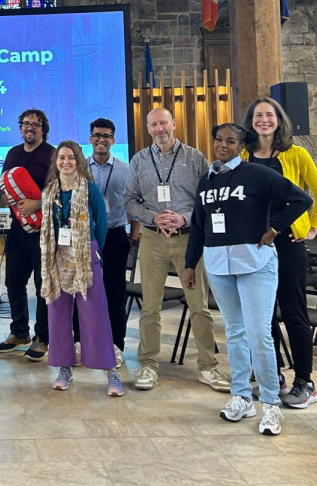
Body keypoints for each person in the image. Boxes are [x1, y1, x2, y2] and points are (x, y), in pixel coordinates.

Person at [185, 123, 312, 436]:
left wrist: (275, 228)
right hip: (217, 264)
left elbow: (300, 200)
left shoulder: (257, 174)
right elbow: (200, 225)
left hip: (255, 263)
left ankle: (270, 403)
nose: (223, 145)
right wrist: (190, 264)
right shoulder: (206, 180)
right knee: (235, 331)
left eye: (230, 141)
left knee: (259, 334)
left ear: (241, 146)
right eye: (219, 140)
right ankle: (241, 396)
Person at [124, 107, 229, 392]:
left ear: (174, 123)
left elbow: (209, 199)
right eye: (153, 124)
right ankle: (148, 364)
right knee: (150, 307)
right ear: (148, 129)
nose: (159, 129)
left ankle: (208, 367)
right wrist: (154, 217)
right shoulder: (138, 161)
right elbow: (131, 201)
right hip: (153, 239)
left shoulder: (195, 158)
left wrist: (184, 218)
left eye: (163, 123)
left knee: (199, 306)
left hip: (189, 239)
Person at [243, 96, 317, 408]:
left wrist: (312, 228)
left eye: (269, 115)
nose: (263, 120)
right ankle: (274, 374)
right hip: (256, 245)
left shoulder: (296, 153)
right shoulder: (244, 154)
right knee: (262, 315)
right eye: (257, 115)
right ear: (250, 121)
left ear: (278, 120)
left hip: (289, 243)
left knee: (294, 313)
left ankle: (305, 382)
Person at [40, 140, 123, 395]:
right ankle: (64, 369)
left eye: (71, 158)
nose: (66, 162)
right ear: (56, 162)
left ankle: (111, 372)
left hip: (85, 257)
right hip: (56, 258)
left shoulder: (90, 190)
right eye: (61, 158)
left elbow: (101, 224)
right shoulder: (49, 192)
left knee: (95, 314)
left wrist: (90, 249)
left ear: (79, 161)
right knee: (58, 315)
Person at [0, 109, 54, 361]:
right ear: (20, 127)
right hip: (17, 228)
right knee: (13, 282)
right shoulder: (12, 153)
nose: (30, 128)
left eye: (36, 124)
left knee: (43, 285)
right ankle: (20, 333)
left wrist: (37, 202)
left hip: (43, 230)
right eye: (26, 124)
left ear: (43, 128)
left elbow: (59, 190)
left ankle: (43, 338)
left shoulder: (52, 155)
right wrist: (5, 196)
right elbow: (2, 184)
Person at [88, 118, 140, 367]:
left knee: (115, 293)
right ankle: (84, 344)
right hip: (85, 238)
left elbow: (135, 204)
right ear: (90, 138)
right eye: (97, 135)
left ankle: (116, 345)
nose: (101, 139)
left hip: (116, 236)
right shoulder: (79, 168)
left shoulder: (125, 169)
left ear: (113, 140)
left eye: (106, 136)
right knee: (84, 292)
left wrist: (133, 237)